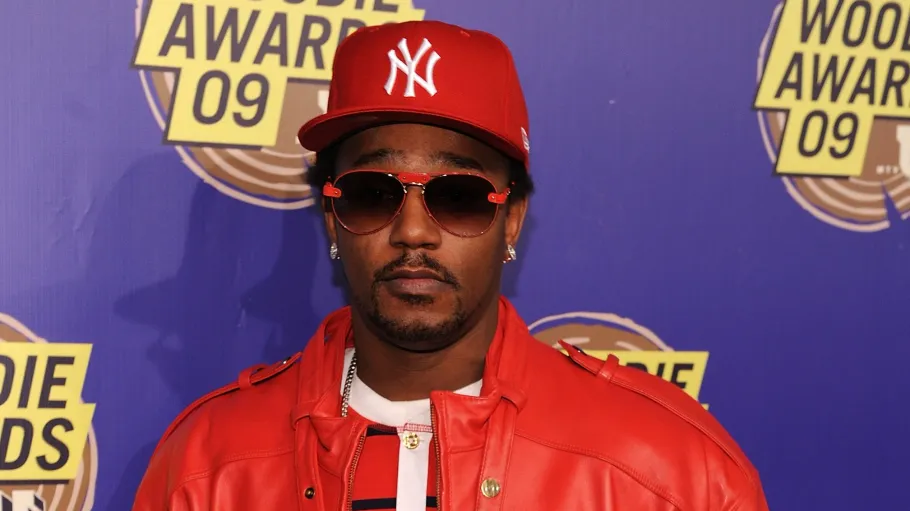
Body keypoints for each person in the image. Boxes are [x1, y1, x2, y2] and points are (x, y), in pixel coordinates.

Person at [132, 20, 769, 511]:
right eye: (373, 193)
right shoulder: (206, 467)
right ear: (331, 217)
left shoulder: (671, 472)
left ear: (512, 219)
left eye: (458, 196)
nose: (413, 231)